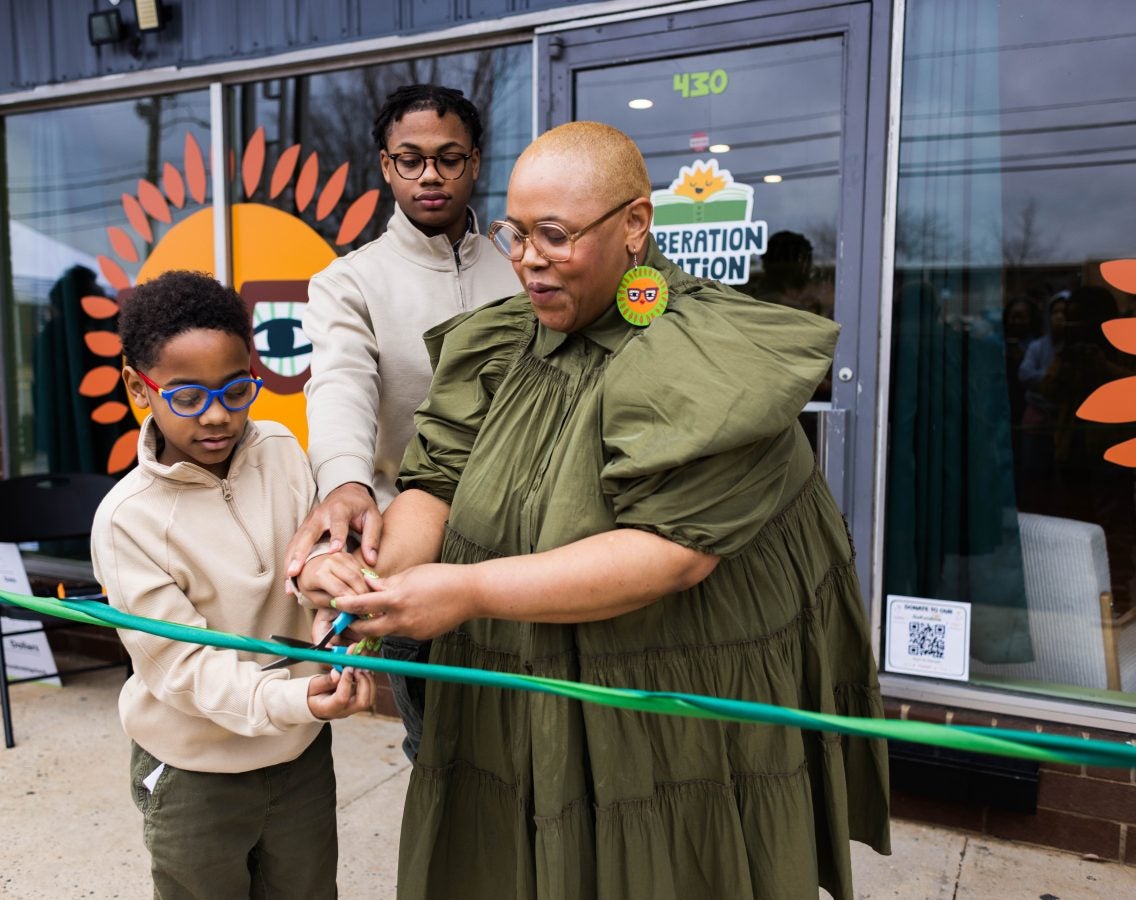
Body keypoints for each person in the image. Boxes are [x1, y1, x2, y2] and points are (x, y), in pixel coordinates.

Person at [299, 123, 890, 899]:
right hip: (511, 688)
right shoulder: (501, 341)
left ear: (635, 224)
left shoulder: (706, 355)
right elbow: (433, 485)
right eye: (515, 234)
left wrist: (467, 591)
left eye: (554, 236)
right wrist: (370, 582)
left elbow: (674, 553)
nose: (526, 259)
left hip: (658, 699)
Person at [91, 270, 374, 898]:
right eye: (187, 397)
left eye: (236, 390)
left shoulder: (278, 449)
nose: (217, 416)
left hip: (299, 758)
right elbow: (184, 668)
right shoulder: (126, 522)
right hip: (196, 772)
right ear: (141, 389)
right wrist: (296, 700)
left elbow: (313, 579)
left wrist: (336, 622)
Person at [286, 84, 517, 761]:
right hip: (414, 546)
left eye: (449, 158)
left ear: (475, 163)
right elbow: (340, 385)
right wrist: (345, 482)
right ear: (385, 166)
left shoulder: (521, 269)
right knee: (442, 746)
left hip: (525, 541)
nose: (430, 176)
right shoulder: (349, 282)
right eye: (410, 159)